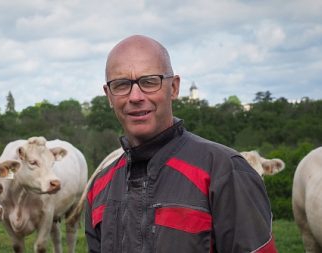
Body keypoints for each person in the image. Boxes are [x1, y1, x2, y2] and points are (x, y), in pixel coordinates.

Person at [85, 35, 277, 252]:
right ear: (109, 95)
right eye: (121, 85)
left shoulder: (224, 172)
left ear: (174, 87)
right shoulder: (100, 187)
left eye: (149, 82)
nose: (135, 96)